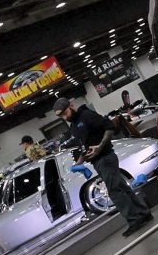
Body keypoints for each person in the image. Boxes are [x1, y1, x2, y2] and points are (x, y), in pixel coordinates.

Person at [53, 97, 152, 236]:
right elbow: (85, 147)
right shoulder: (74, 126)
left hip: (105, 158)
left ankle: (134, 219)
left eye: (65, 113)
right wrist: (78, 162)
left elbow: (110, 127)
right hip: (98, 162)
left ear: (71, 106)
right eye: (61, 116)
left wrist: (100, 147)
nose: (65, 117)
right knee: (122, 187)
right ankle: (143, 213)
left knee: (114, 191)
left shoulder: (86, 115)